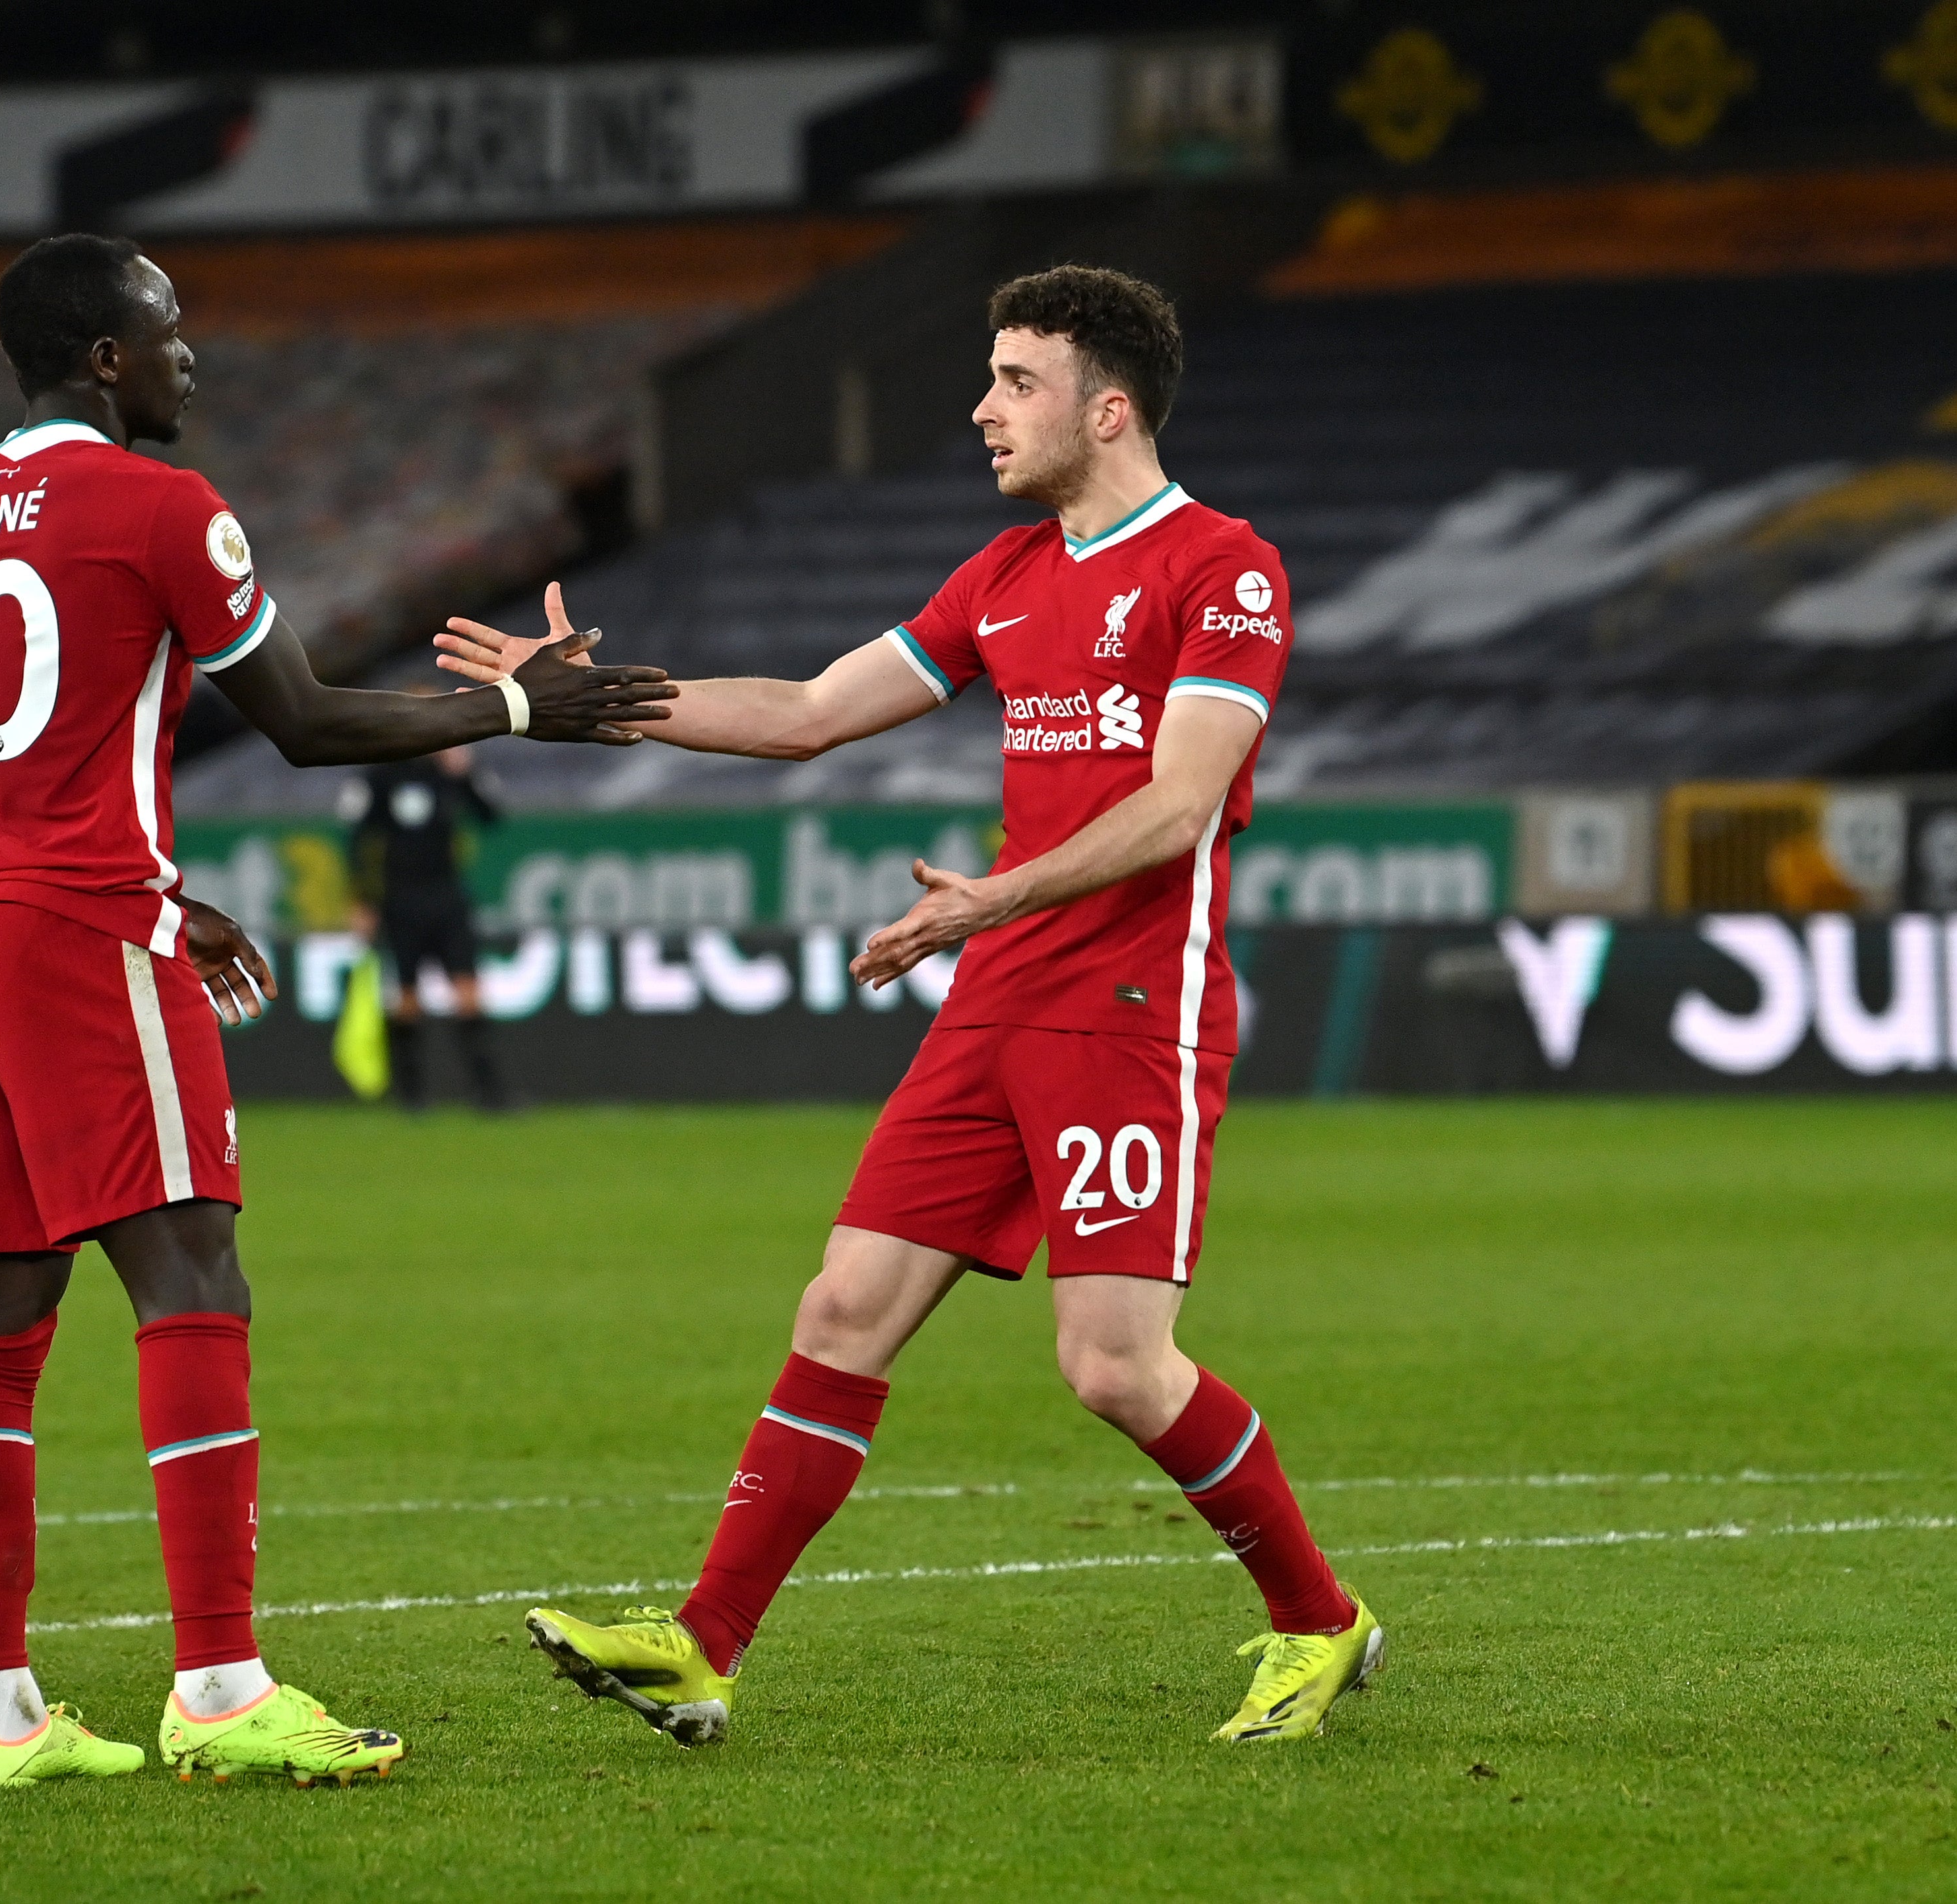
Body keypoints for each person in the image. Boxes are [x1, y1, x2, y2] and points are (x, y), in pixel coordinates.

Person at [438, 265, 1384, 1747]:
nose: (981, 407)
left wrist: (991, 897)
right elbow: (811, 713)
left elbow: (1183, 803)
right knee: (844, 1305)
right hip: (996, 1003)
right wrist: (589, 696)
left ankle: (1318, 1624)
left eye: (1015, 380)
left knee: (1112, 1367)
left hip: (1126, 1004)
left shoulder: (1223, 567)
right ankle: (701, 1647)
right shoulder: (1003, 576)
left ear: (1107, 406)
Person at [0, 232, 675, 1790]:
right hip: (76, 932)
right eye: (168, 330)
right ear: (104, 358)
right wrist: (525, 705)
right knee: (191, 1270)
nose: (191, 355)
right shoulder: (160, 505)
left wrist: (163, 885)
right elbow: (306, 721)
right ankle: (222, 1684)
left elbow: (16, 764)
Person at [344, 744, 506, 1110]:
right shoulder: (380, 777)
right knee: (406, 998)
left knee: (468, 992)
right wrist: (362, 900)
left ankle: (489, 1092)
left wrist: (467, 771)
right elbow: (357, 840)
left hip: (447, 899)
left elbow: (491, 816)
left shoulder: (448, 774)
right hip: (400, 901)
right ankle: (412, 1095)